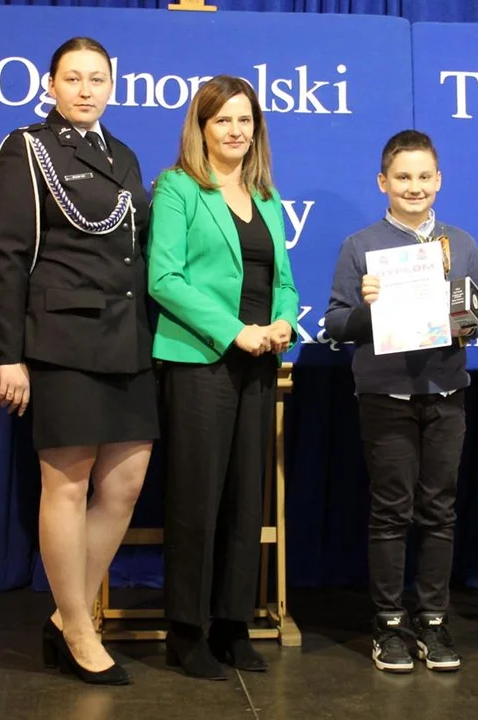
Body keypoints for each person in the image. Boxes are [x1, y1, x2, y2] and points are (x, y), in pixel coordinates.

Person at [0, 37, 157, 685]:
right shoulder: (27, 148)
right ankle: (81, 629)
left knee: (127, 483)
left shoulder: (124, 155)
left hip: (128, 339)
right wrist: (10, 355)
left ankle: (65, 617)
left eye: (97, 79)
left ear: (112, 85)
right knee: (67, 484)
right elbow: (6, 258)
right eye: (73, 78)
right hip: (62, 340)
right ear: (51, 85)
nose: (86, 90)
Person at [324, 130, 478, 673]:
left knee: (440, 509)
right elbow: (336, 323)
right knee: (391, 510)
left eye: (424, 176)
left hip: (446, 393)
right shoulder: (361, 245)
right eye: (403, 177)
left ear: (439, 180)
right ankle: (389, 623)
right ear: (383, 182)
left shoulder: (460, 243)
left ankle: (434, 621)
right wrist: (367, 308)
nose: (414, 186)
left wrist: (460, 314)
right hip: (386, 395)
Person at [147, 75, 299, 681]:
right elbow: (164, 279)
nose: (236, 131)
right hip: (199, 362)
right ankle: (186, 634)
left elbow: (283, 281)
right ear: (202, 127)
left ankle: (234, 627)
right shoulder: (178, 187)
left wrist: (283, 322)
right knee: (196, 500)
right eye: (223, 120)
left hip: (259, 363)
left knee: (244, 500)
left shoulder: (266, 196)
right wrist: (235, 331)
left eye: (245, 120)